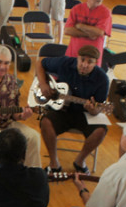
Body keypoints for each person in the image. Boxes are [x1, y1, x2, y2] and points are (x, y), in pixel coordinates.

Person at [35, 45, 110, 174]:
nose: (84, 65)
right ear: (77, 58)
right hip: (62, 109)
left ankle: (80, 161)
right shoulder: (65, 63)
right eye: (82, 60)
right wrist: (43, 84)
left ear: (96, 63)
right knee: (46, 122)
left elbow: (98, 108)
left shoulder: (102, 79)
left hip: (85, 114)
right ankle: (54, 163)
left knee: (101, 130)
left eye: (90, 62)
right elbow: (39, 63)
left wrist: (92, 110)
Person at [64, 0, 111, 64]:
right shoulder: (76, 9)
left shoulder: (106, 12)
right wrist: (90, 33)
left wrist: (81, 26)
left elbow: (99, 32)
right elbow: (67, 30)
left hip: (93, 61)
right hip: (73, 56)